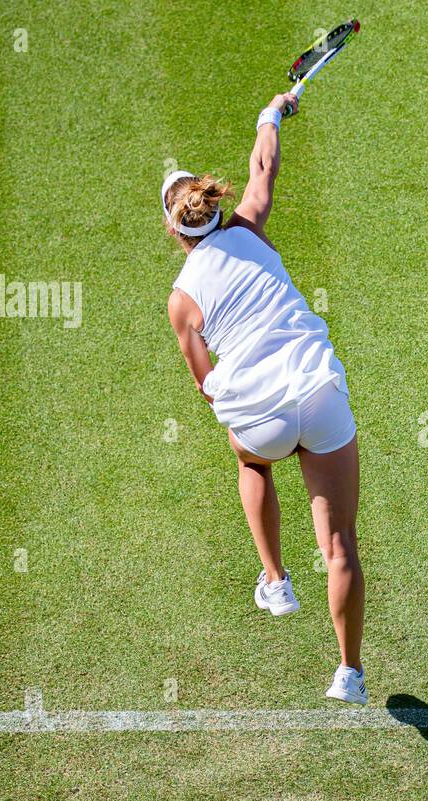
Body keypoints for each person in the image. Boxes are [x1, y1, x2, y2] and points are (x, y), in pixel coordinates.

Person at [161, 92, 365, 704]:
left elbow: (204, 385)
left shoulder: (181, 301)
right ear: (211, 211)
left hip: (264, 415)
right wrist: (272, 113)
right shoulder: (249, 222)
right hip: (319, 393)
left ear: (173, 229)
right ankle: (349, 674)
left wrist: (240, 402)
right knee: (341, 545)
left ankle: (275, 580)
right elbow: (263, 166)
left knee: (250, 458)